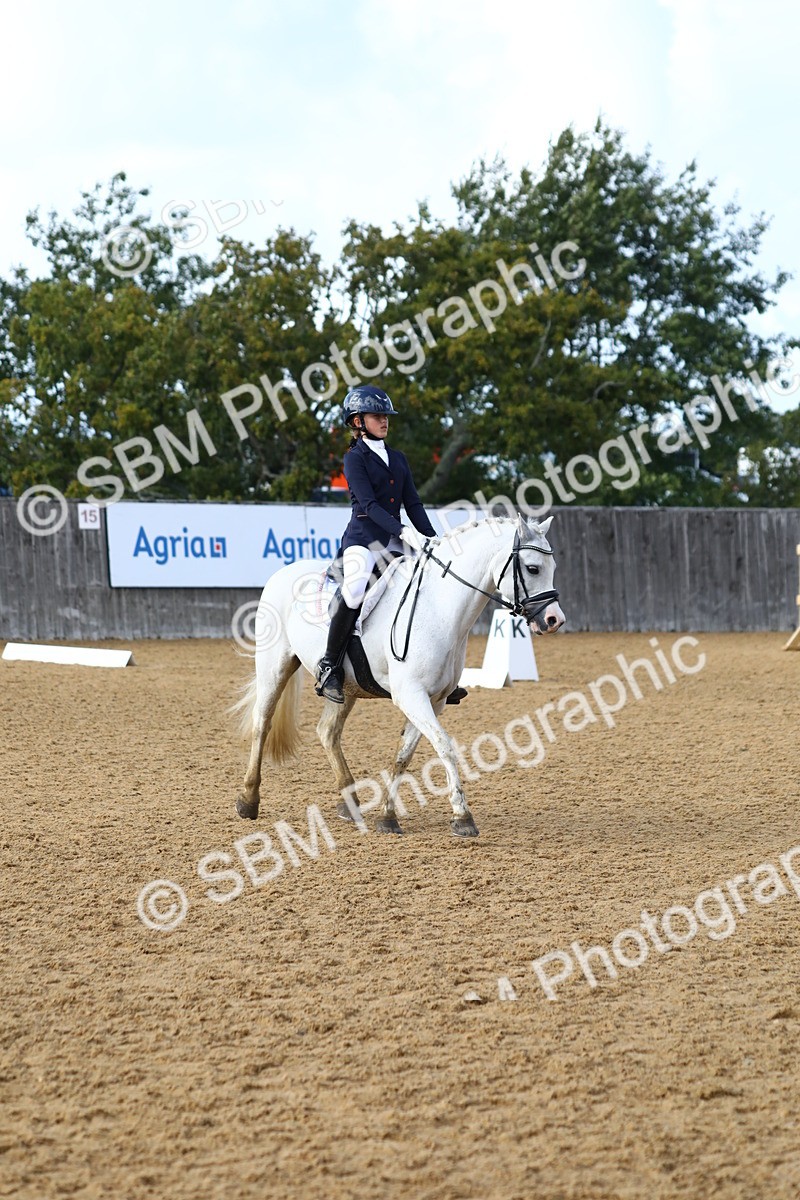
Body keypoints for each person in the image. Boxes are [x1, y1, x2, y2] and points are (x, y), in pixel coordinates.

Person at [315, 384, 437, 703]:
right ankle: (329, 666)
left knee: (429, 582)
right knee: (355, 589)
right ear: (357, 421)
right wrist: (402, 531)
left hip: (396, 540)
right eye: (376, 416)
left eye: (386, 416)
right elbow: (368, 506)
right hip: (363, 540)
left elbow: (414, 503)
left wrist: (433, 539)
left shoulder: (398, 459)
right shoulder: (354, 459)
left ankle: (434, 671)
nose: (384, 421)